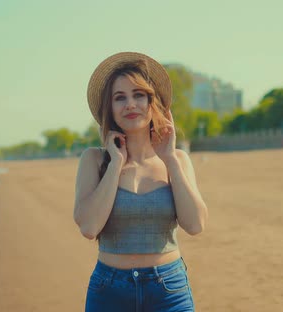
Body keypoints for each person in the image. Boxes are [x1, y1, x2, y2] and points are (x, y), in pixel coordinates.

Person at [73, 52, 208, 311]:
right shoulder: (93, 160)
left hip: (169, 290)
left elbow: (195, 224)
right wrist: (115, 164)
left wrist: (169, 159)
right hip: (109, 291)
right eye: (119, 97)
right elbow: (89, 227)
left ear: (152, 102)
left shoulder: (177, 159)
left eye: (138, 95)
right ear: (110, 108)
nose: (130, 104)